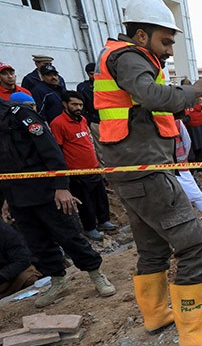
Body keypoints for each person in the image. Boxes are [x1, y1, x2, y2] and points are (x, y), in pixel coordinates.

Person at [93, 0, 202, 346]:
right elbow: (151, 95)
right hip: (147, 173)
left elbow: (142, 106)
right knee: (196, 248)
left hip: (133, 171)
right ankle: (193, 331)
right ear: (141, 35)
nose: (170, 50)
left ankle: (156, 315)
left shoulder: (122, 57)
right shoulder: (129, 57)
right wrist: (193, 91)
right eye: (165, 40)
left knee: (153, 249)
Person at [0, 98, 115, 308]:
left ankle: (96, 274)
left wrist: (62, 186)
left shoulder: (20, 114)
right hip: (17, 196)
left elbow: (51, 150)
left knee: (68, 235)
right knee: (37, 243)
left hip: (45, 190)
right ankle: (58, 281)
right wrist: (5, 199)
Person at [49, 91, 116, 241]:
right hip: (77, 171)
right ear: (65, 104)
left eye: (80, 104)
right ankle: (89, 227)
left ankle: (104, 220)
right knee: (86, 201)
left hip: (93, 166)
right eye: (74, 104)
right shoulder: (58, 124)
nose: (78, 107)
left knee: (100, 197)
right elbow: (57, 150)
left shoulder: (83, 120)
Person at [0, 221, 40, 299]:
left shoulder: (5, 231)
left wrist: (2, 275)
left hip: (10, 275)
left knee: (28, 278)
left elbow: (22, 260)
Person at [181, 79, 202, 162]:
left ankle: (201, 163)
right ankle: (194, 163)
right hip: (187, 127)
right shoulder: (181, 99)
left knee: (201, 145)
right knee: (191, 145)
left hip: (199, 126)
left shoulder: (199, 99)